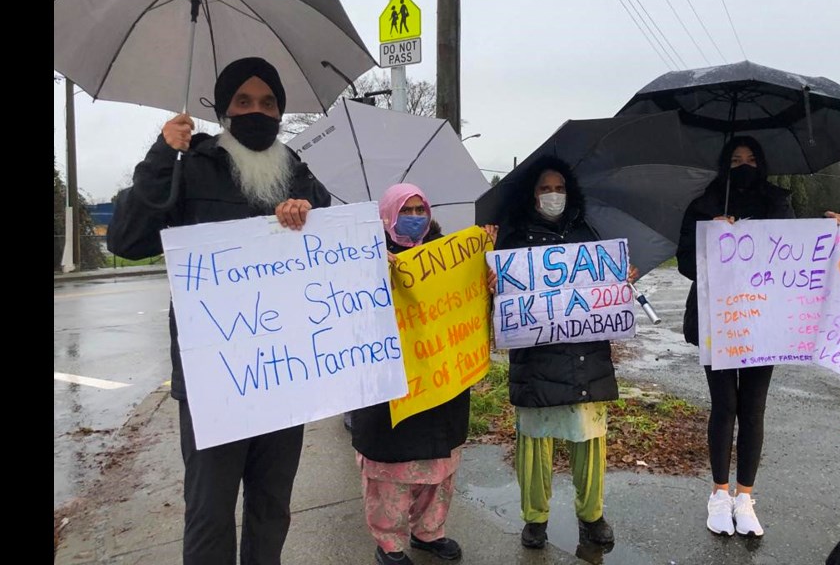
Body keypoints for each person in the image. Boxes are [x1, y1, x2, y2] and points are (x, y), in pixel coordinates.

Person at [108, 57, 331, 565]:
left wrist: (307, 214)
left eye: (269, 102)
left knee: (272, 506)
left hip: (284, 372)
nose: (258, 111)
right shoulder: (192, 163)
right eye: (244, 102)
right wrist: (162, 152)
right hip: (214, 378)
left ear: (281, 110)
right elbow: (128, 238)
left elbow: (332, 251)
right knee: (209, 510)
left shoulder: (297, 170)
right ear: (224, 109)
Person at [676, 135, 840, 538]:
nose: (744, 165)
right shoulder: (703, 203)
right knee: (724, 405)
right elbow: (685, 261)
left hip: (766, 321)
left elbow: (802, 250)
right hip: (718, 321)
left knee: (753, 408)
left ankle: (745, 495)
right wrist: (710, 239)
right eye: (736, 159)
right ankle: (719, 492)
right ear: (724, 163)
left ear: (763, 163)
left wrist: (833, 232)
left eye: (751, 159)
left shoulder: (778, 201)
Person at [488, 155, 639, 551]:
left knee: (589, 439)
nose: (553, 195)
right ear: (531, 194)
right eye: (544, 188)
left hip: (584, 356)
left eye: (559, 188)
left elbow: (605, 293)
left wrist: (621, 280)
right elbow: (496, 305)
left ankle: (592, 515)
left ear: (569, 192)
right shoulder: (514, 237)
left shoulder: (589, 234)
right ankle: (534, 519)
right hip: (536, 359)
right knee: (534, 442)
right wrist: (490, 284)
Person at [351, 183, 467, 565]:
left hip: (440, 379)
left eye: (421, 210)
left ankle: (429, 531)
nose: (415, 218)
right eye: (406, 210)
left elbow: (465, 302)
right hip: (390, 386)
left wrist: (483, 271)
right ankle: (389, 542)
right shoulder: (362, 257)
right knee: (391, 472)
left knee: (438, 465)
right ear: (387, 214)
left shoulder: (446, 256)